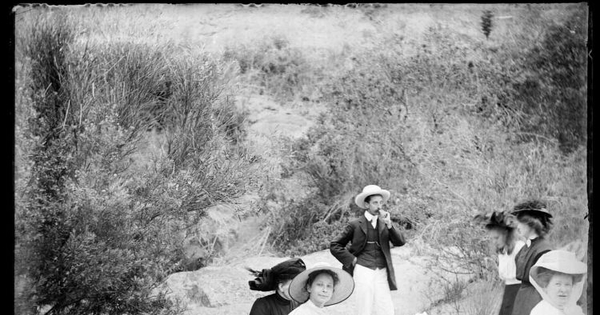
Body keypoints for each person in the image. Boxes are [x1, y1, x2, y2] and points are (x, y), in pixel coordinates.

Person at [330, 185, 406, 315]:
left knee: (386, 308)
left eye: (381, 202)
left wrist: (389, 224)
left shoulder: (384, 223)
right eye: (375, 203)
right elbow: (335, 245)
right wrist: (352, 260)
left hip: (382, 270)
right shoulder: (355, 224)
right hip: (363, 269)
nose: (379, 206)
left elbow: (400, 242)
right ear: (366, 204)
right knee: (363, 307)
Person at [474, 211, 525, 315]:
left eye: (496, 238)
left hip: (520, 293)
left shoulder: (519, 248)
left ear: (506, 233)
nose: (494, 241)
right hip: (508, 292)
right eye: (492, 238)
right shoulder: (503, 252)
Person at [509, 200, 554, 315]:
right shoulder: (526, 247)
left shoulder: (544, 250)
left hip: (536, 300)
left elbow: (547, 285)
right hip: (522, 298)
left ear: (531, 223)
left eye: (520, 223)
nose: (517, 227)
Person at [529, 250, 587, 315]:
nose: (563, 290)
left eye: (567, 284)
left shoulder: (575, 310)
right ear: (546, 286)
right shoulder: (540, 311)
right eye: (558, 284)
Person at [287, 262, 355, 315]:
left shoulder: (321, 312)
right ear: (309, 287)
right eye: (319, 285)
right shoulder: (301, 313)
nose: (325, 290)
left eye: (329, 286)